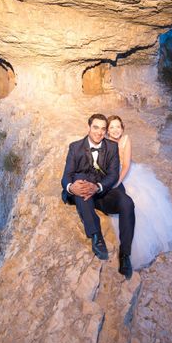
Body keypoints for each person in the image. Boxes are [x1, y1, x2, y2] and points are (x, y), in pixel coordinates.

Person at [61, 113, 136, 279]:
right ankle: (97, 236)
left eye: (103, 129)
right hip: (83, 192)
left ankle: (125, 255)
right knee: (80, 187)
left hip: (103, 190)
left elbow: (112, 175)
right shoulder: (75, 147)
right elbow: (66, 175)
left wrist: (98, 187)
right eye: (95, 127)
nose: (99, 132)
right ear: (88, 127)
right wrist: (71, 187)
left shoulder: (112, 147)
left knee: (127, 203)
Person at [106, 115, 172, 270]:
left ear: (122, 128)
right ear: (107, 130)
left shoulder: (126, 140)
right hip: (112, 174)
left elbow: (126, 165)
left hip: (126, 173)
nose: (115, 130)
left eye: (118, 126)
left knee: (143, 199)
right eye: (112, 127)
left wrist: (118, 182)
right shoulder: (105, 143)